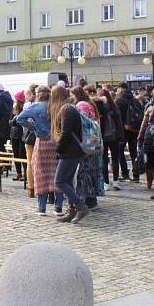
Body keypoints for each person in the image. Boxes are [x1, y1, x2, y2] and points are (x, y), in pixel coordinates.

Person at [17, 85, 63, 215]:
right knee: (57, 174)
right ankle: (58, 207)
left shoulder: (36, 107)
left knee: (40, 173)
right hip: (56, 143)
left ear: (38, 94)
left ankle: (42, 207)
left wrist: (33, 127)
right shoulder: (56, 106)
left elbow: (19, 118)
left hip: (42, 142)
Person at [50, 85, 90, 223]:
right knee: (67, 181)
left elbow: (66, 133)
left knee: (59, 181)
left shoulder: (66, 109)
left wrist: (59, 148)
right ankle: (71, 210)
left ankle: (80, 207)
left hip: (70, 151)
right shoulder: (69, 107)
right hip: (72, 150)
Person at [71, 87, 102, 209]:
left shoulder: (81, 105)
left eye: (72, 95)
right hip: (94, 140)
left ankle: (88, 200)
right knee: (92, 170)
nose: (71, 97)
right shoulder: (90, 103)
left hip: (87, 141)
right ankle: (91, 199)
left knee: (85, 171)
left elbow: (82, 122)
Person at [115, 82, 142, 183]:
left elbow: (116, 116)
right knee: (134, 152)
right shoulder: (135, 100)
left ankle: (125, 173)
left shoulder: (118, 100)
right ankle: (136, 175)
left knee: (120, 152)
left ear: (121, 89)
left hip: (123, 130)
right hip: (134, 130)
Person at [98, 88, 124, 191]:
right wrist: (121, 136)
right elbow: (119, 122)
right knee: (115, 158)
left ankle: (106, 182)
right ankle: (116, 180)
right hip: (114, 136)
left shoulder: (99, 107)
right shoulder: (114, 106)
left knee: (104, 159)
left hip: (103, 137)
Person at [137, 88, 154, 190]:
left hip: (149, 135)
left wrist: (140, 137)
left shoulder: (150, 108)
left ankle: (149, 184)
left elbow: (143, 124)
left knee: (149, 161)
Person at [9, 92, 26, 181]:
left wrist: (14, 121)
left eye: (16, 100)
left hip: (21, 134)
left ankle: (26, 174)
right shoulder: (14, 109)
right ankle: (19, 173)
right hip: (14, 134)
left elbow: (21, 121)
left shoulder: (25, 109)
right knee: (16, 155)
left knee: (22, 154)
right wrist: (14, 121)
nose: (15, 101)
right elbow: (10, 121)